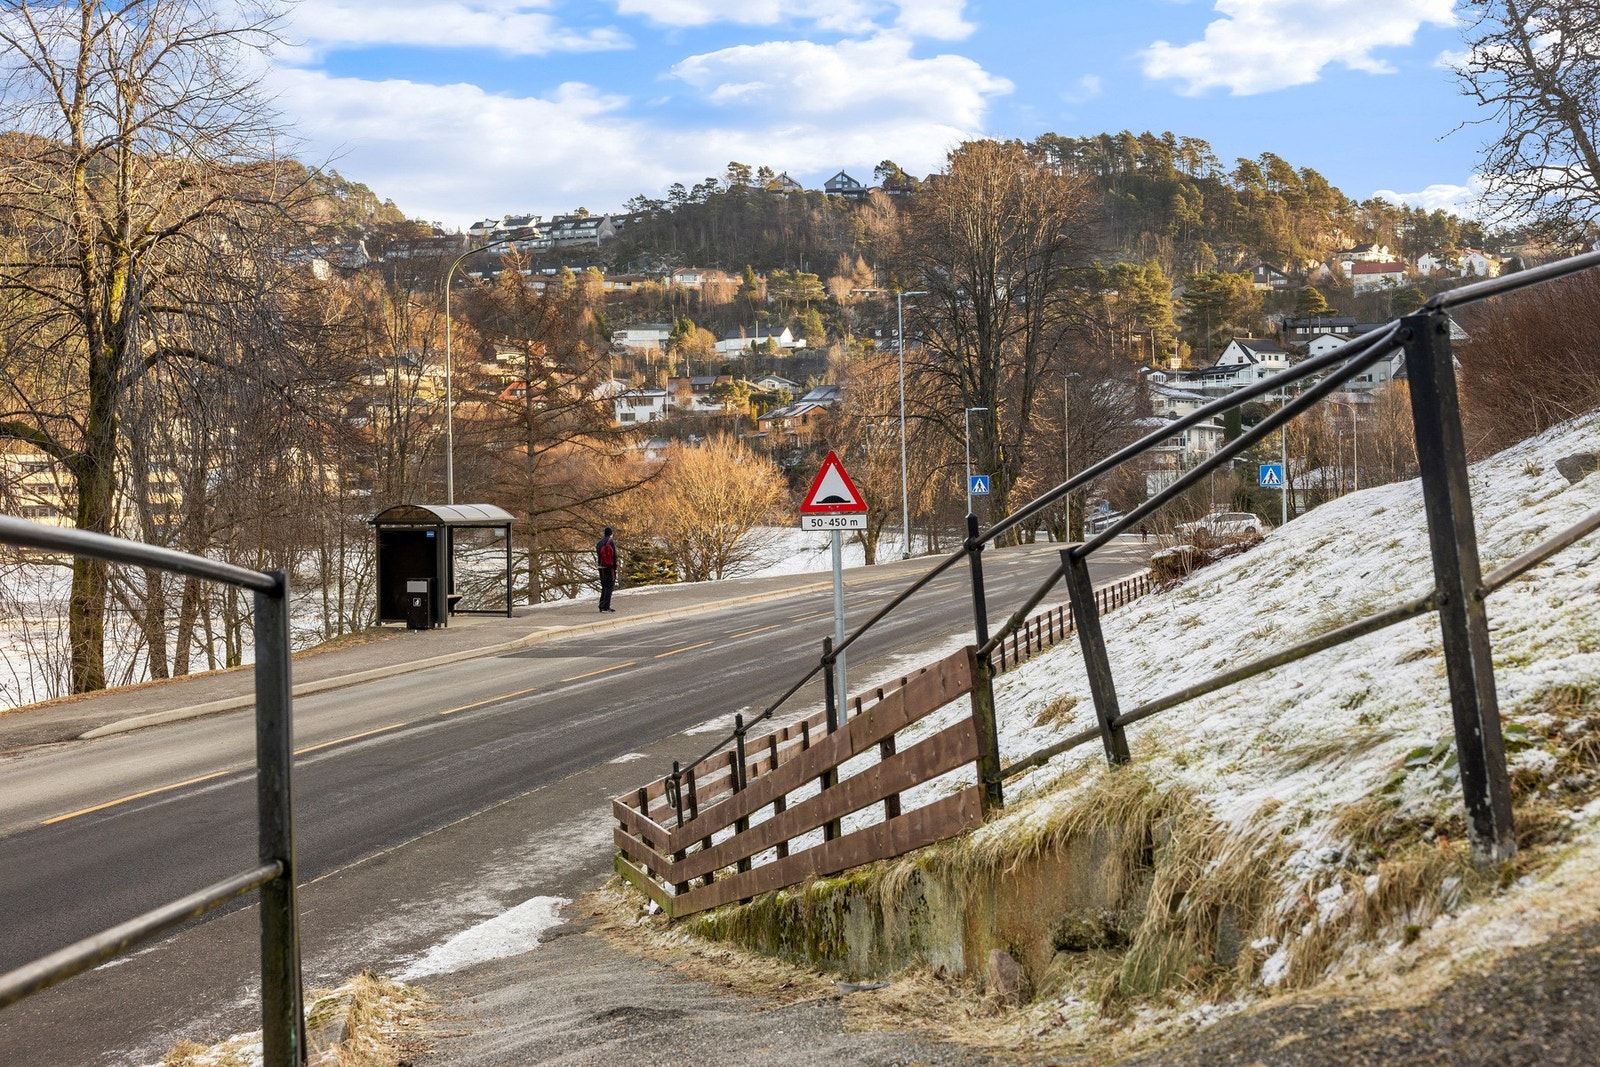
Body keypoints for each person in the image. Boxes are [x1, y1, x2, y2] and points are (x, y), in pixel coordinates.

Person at [596, 526, 618, 612]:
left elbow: (599, 555)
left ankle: (601, 605)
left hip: (601, 567)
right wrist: (615, 567)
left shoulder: (600, 542)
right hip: (609, 567)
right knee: (609, 586)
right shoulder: (611, 542)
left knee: (604, 586)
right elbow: (615, 556)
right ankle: (606, 607)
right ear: (611, 534)